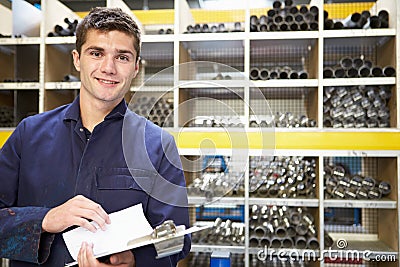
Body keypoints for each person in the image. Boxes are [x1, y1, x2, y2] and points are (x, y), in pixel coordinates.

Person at [0, 7, 190, 267]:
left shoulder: (158, 146)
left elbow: (177, 241)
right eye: (96, 53)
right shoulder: (28, 135)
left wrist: (135, 260)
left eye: (122, 57)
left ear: (135, 67)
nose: (108, 68)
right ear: (77, 59)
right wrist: (45, 219)